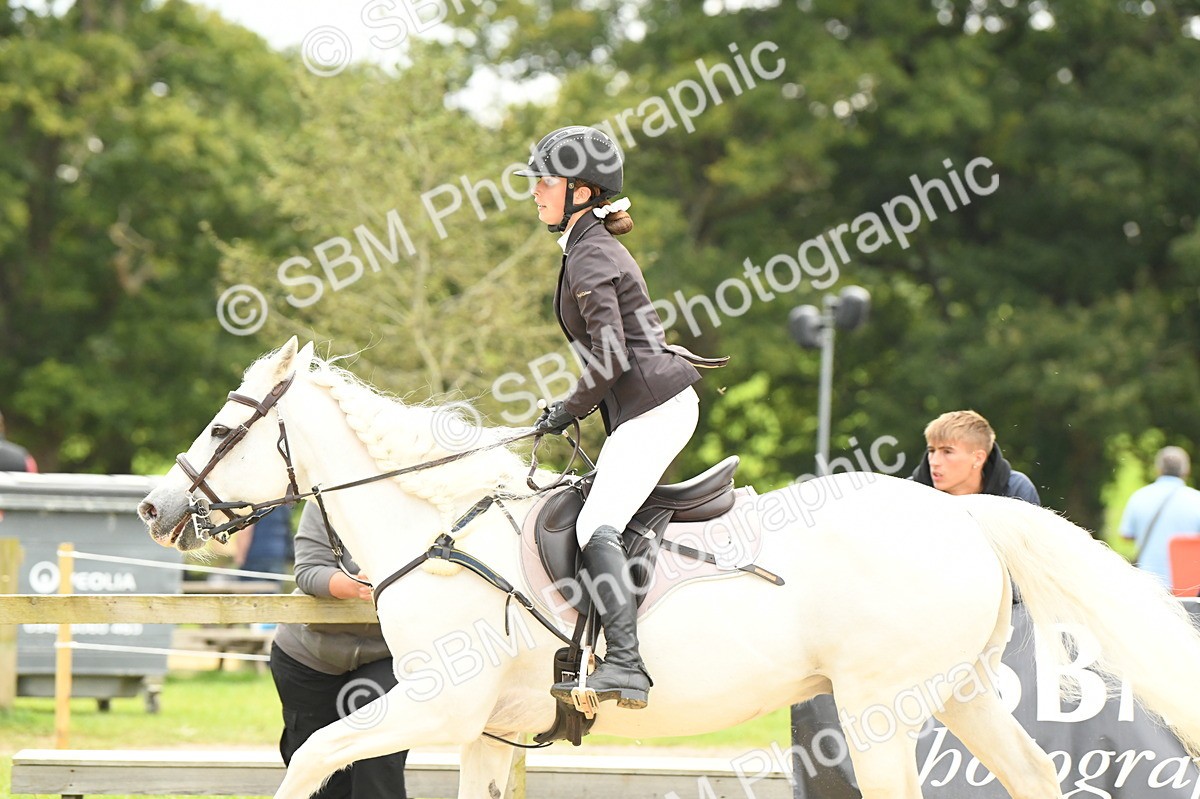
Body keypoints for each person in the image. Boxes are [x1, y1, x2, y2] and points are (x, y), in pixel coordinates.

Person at [516, 126, 720, 710]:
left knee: (592, 524)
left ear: (581, 191)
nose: (534, 192)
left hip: (655, 407)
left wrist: (567, 408)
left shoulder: (592, 256)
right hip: (645, 406)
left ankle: (627, 666)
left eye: (544, 182)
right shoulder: (586, 248)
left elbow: (609, 355)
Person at [268, 502, 408, 799]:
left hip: (387, 653)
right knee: (315, 771)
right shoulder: (327, 499)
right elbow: (307, 571)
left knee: (380, 751)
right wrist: (355, 586)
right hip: (306, 654)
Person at [911, 410, 1040, 505]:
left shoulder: (1016, 491)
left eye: (947, 452)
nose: (934, 461)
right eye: (931, 450)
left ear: (978, 458)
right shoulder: (909, 493)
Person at [1119, 446, 1200, 591]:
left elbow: (1126, 535)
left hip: (1149, 584)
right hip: (1188, 587)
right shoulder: (1196, 500)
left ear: (1158, 469)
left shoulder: (1139, 497)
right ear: (1186, 471)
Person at [235, 505, 295, 589]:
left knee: (251, 597)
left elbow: (245, 529)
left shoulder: (256, 503)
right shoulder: (284, 505)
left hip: (255, 558)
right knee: (272, 598)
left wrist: (240, 557)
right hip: (277, 557)